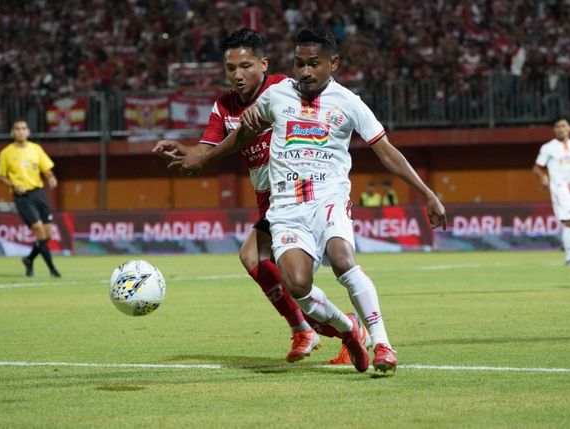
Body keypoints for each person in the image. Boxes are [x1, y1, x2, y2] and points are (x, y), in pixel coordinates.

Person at [237, 27, 447, 373]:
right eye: (299, 63)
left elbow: (387, 152)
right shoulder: (276, 95)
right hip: (286, 208)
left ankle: (383, 343)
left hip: (327, 199)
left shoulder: (349, 103)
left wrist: (427, 193)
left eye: (313, 64)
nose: (305, 71)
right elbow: (245, 131)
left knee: (341, 258)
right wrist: (207, 154)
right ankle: (349, 329)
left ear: (333, 63)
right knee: (297, 284)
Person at [152, 29, 365, 365]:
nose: (237, 75)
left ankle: (326, 328)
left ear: (264, 64)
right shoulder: (223, 106)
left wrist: (202, 158)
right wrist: (186, 150)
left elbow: (239, 139)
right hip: (268, 198)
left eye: (246, 66)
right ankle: (318, 328)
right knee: (257, 260)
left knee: (258, 258)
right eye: (230, 68)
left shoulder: (282, 89)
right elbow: (208, 148)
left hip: (300, 193)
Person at [0, 120, 61, 278]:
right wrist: (13, 185)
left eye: (23, 128)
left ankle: (29, 259)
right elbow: (0, 175)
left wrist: (51, 177)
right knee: (39, 229)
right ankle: (53, 270)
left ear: (28, 132)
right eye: (17, 129)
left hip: (38, 193)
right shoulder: (6, 153)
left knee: (48, 234)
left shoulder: (36, 149)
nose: (20, 131)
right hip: (22, 196)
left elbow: (46, 169)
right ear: (12, 133)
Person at [533, 118, 570, 267]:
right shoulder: (548, 147)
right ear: (554, 130)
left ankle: (568, 242)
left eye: (563, 126)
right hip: (559, 187)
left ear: (569, 128)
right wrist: (543, 177)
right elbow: (536, 167)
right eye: (557, 126)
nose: (560, 129)